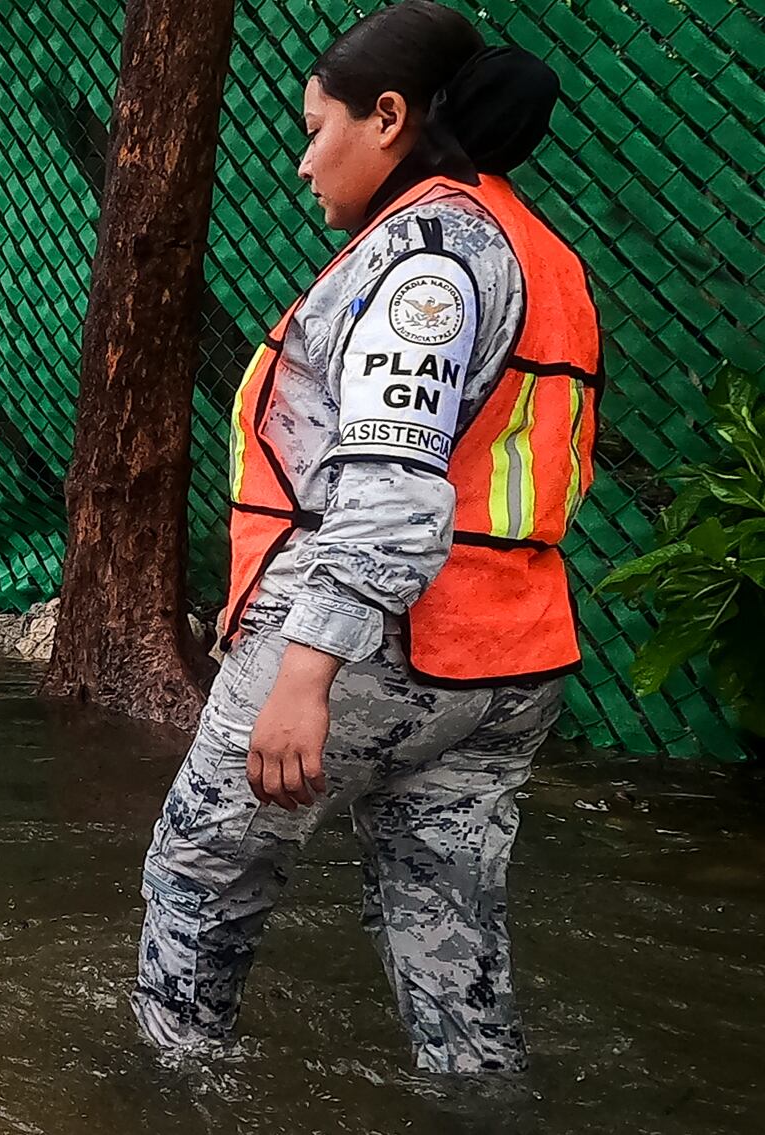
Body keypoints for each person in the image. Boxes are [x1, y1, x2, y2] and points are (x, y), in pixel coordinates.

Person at [134, 2, 600, 1074]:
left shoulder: (424, 261)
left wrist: (306, 671)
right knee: (452, 935)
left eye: (316, 127)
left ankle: (165, 1092)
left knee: (199, 877)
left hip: (367, 646)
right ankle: (480, 1098)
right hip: (510, 656)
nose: (304, 163)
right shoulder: (542, 255)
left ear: (387, 117)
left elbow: (391, 490)